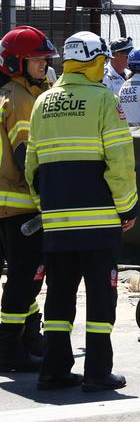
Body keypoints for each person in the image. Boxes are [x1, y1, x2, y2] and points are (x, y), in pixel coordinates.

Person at [25, 31, 138, 392]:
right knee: (102, 298)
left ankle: (54, 370)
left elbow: (32, 166)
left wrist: (48, 207)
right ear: (94, 61)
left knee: (58, 296)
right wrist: (128, 207)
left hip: (57, 225)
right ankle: (97, 373)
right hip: (100, 223)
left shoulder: (44, 102)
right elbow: (120, 161)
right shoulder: (104, 99)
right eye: (103, 61)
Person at [0, 27, 57, 372]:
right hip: (22, 205)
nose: (44, 63)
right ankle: (8, 349)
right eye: (37, 59)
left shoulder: (13, 92)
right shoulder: (21, 100)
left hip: (10, 206)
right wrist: (52, 196)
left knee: (28, 276)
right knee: (26, 278)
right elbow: (27, 158)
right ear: (16, 62)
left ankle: (30, 338)